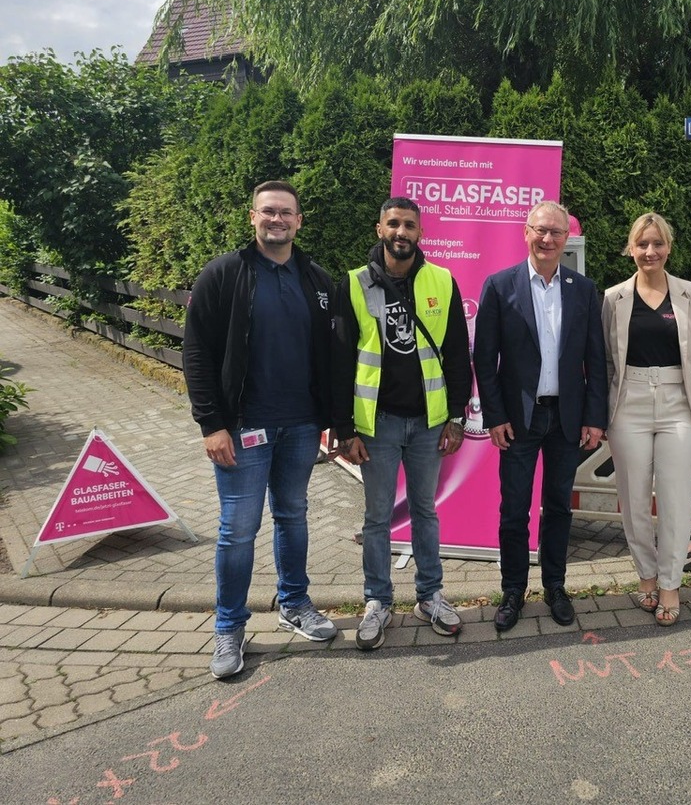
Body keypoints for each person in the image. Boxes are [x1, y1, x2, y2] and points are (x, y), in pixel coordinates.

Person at [183, 180, 337, 679]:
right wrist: (212, 424)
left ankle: (294, 603)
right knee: (237, 530)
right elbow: (197, 353)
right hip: (243, 428)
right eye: (268, 212)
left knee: (293, 515)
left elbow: (332, 356)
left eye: (286, 213)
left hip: (300, 426)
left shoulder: (317, 279)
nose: (277, 220)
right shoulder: (224, 275)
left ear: (299, 220)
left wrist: (332, 421)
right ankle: (229, 628)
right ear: (253, 217)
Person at [332, 197, 472, 649]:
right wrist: (344, 429)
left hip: (429, 423)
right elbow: (338, 361)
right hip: (378, 424)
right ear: (379, 229)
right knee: (376, 517)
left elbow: (456, 354)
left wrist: (454, 417)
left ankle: (430, 595)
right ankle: (377, 600)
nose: (401, 232)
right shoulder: (354, 284)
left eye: (409, 225)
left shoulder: (442, 281)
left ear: (420, 232)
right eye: (393, 223)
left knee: (425, 511)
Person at [473, 200, 607, 631]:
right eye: (540, 231)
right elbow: (484, 359)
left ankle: (555, 586)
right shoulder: (499, 285)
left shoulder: (583, 289)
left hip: (566, 420)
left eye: (556, 232)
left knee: (558, 509)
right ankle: (513, 590)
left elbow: (595, 360)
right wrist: (494, 416)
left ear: (567, 239)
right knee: (514, 510)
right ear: (525, 232)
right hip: (518, 421)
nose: (547, 239)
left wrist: (594, 417)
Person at [602, 213, 691, 626]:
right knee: (633, 501)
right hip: (628, 400)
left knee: (676, 499)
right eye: (642, 244)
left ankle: (671, 584)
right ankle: (646, 576)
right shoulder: (613, 297)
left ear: (668, 247)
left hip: (678, 403)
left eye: (657, 244)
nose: (650, 252)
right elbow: (604, 362)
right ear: (630, 249)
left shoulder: (688, 293)